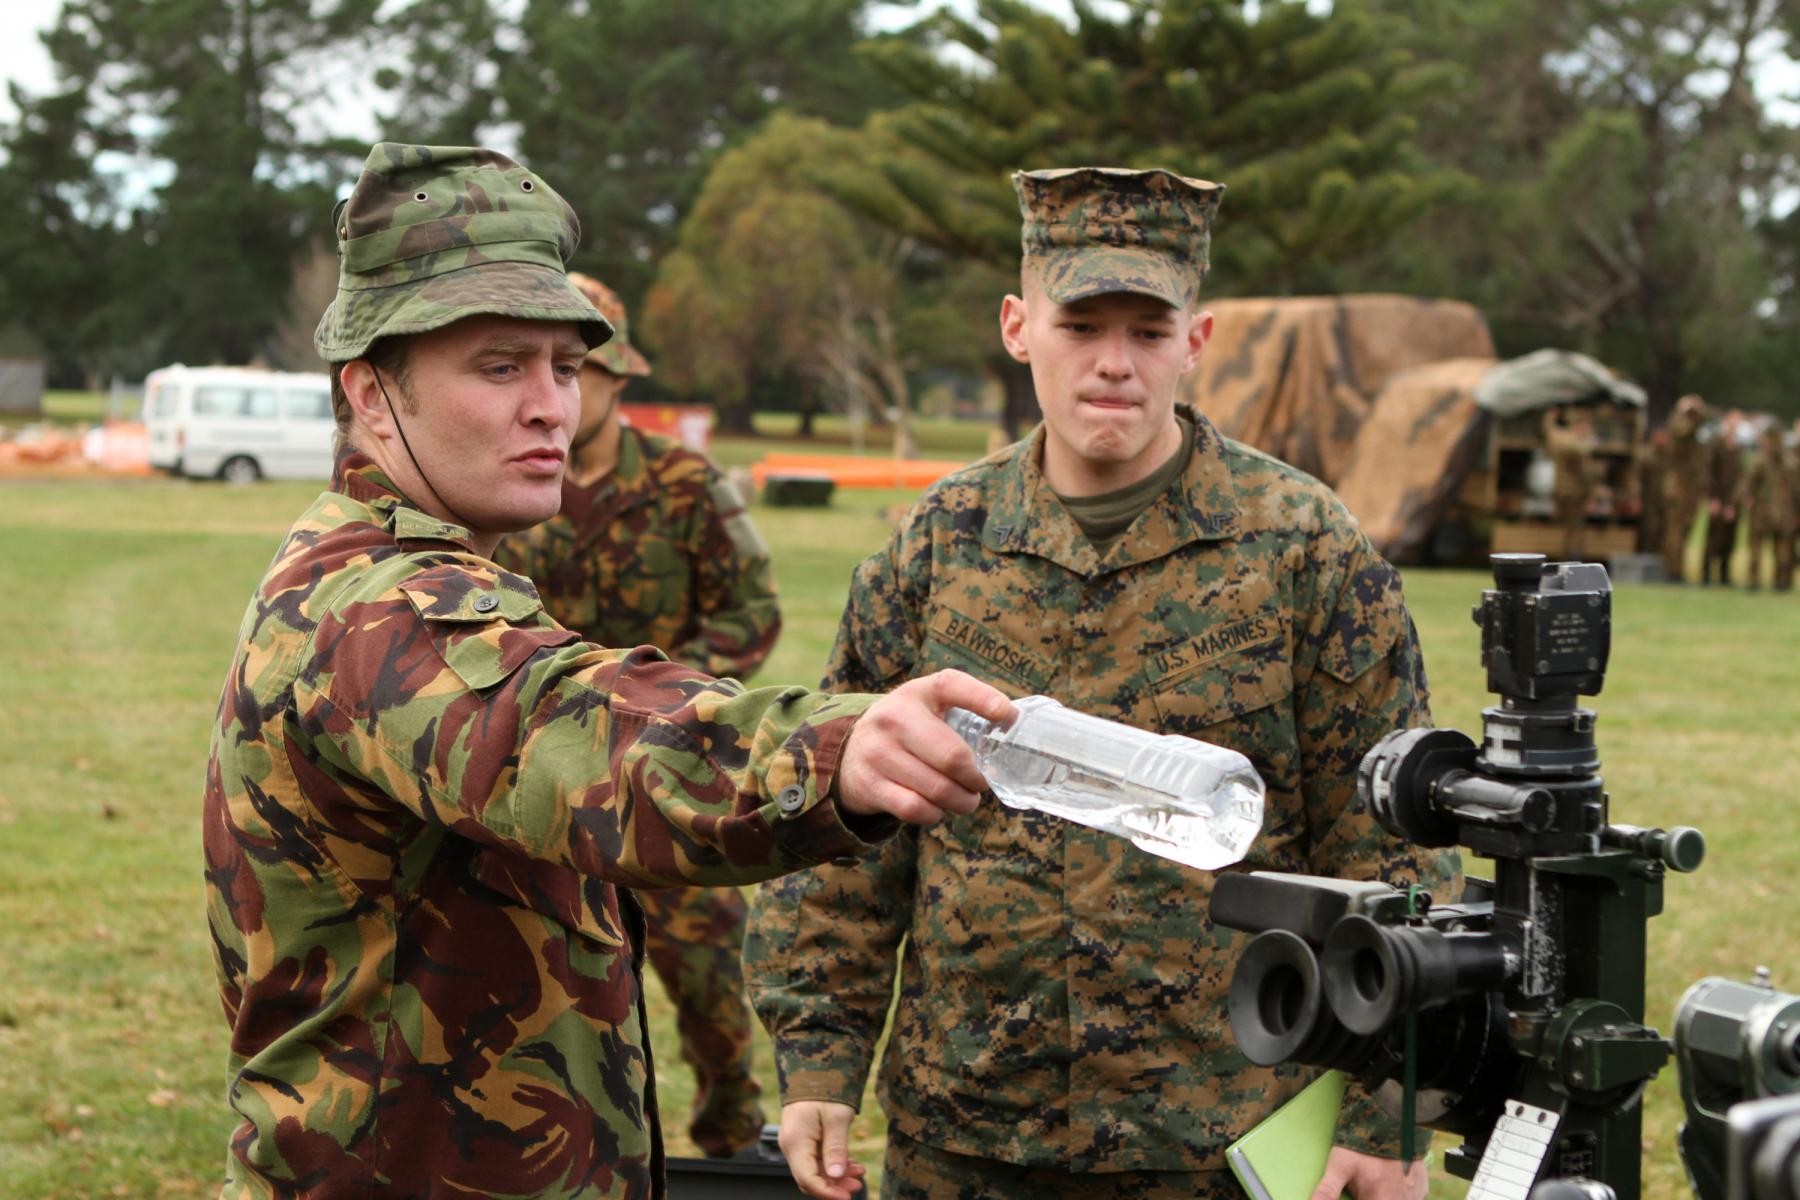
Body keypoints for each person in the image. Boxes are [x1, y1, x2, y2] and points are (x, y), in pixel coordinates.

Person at [200, 142, 1015, 1200]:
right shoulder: (378, 605)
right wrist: (831, 748)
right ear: (370, 392)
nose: (551, 406)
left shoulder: (417, 562)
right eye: (499, 367)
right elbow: (568, 732)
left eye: (566, 365)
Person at [743, 166, 1460, 1200]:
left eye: (1147, 331)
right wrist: (820, 1055)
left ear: (1197, 342)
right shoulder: (939, 544)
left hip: (1223, 1135)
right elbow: (853, 824)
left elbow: (1390, 841)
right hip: (967, 1131)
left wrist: (1382, 1105)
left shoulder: (1303, 547)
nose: (1114, 364)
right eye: (1081, 327)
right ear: (1017, 327)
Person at [493, 273, 778, 1157]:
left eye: (579, 372)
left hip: (673, 775)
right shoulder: (500, 489)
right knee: (539, 1008)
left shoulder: (688, 485)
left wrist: (680, 696)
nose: (558, 398)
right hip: (548, 789)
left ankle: (733, 1148)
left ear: (617, 381)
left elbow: (751, 610)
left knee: (711, 999)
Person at [1740, 420, 1797, 592]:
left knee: (1776, 550)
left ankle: (1761, 581)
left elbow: (1748, 485)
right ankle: (1779, 582)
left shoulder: (1765, 460)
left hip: (1768, 513)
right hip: (1775, 513)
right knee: (1777, 550)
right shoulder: (1789, 461)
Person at [1659, 394, 1709, 582]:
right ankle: (1672, 571)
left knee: (1686, 529)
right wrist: (1681, 410)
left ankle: (1677, 568)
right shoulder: (1677, 431)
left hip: (1691, 490)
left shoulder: (1694, 434)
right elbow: (1679, 429)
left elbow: (1703, 419)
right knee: (1675, 532)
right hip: (1677, 489)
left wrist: (1697, 406)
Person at [1544, 409, 1597, 560]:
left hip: (1577, 491)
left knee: (1574, 528)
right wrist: (1589, 439)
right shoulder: (1569, 440)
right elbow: (1578, 450)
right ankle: (1568, 557)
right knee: (1569, 527)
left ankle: (1570, 555)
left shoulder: (1567, 438)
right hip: (1569, 491)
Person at [1702, 410, 1746, 585]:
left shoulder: (1738, 448)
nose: (1734, 426)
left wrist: (1733, 504)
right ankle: (1706, 574)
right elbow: (1709, 473)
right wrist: (1712, 499)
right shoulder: (1716, 445)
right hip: (1717, 499)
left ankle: (1724, 575)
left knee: (1730, 538)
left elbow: (1740, 478)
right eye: (1731, 422)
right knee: (1713, 538)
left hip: (1732, 502)